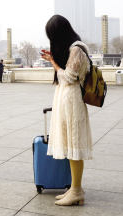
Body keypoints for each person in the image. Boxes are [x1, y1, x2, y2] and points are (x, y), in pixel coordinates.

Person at [41, 15, 92, 206]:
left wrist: (53, 62)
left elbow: (68, 77)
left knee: (74, 146)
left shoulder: (77, 49)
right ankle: (74, 188)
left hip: (73, 103)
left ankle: (77, 191)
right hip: (67, 101)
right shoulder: (73, 49)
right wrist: (54, 59)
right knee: (71, 145)